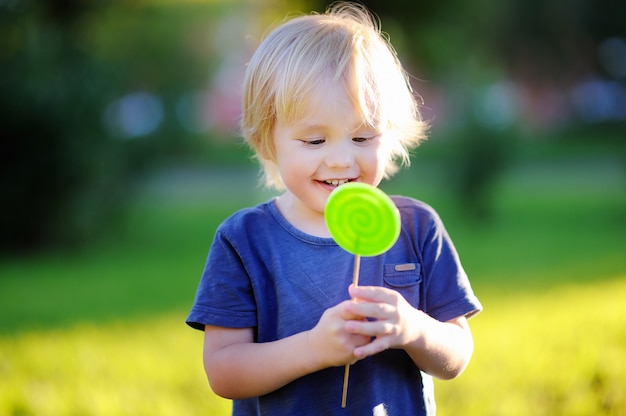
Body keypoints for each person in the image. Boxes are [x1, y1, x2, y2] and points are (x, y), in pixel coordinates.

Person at [186, 2, 482, 415]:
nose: (342, 160)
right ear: (268, 139)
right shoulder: (245, 240)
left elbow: (457, 354)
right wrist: (313, 348)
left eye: (363, 138)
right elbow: (224, 371)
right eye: (314, 141)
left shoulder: (416, 228)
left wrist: (413, 328)